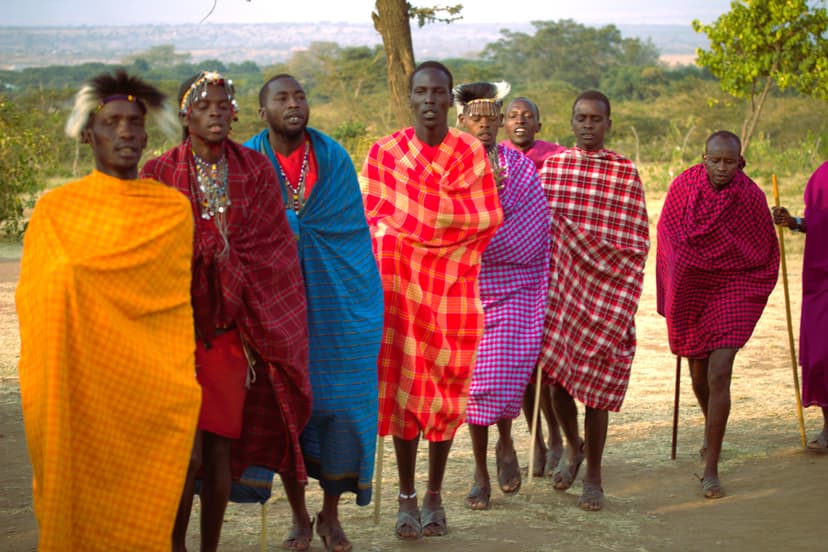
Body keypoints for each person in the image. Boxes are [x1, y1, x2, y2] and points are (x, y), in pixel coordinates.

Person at [16, 70, 201, 550]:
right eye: (112, 122)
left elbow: (173, 313)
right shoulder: (56, 210)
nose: (126, 132)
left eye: (135, 123)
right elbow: (37, 302)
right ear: (87, 133)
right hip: (75, 396)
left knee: (142, 518)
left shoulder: (171, 211)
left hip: (149, 398)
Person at [141, 71, 310, 551]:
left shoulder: (254, 169)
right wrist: (204, 255)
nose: (215, 112)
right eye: (204, 105)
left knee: (216, 449)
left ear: (234, 113)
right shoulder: (159, 173)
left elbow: (274, 251)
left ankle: (209, 547)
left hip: (232, 331)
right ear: (185, 114)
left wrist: (224, 263)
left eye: (222, 104)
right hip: (174, 331)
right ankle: (174, 544)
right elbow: (152, 253)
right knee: (182, 453)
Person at [359, 61, 503, 538]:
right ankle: (405, 495)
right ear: (410, 98)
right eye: (420, 91)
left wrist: (419, 231)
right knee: (405, 388)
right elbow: (375, 218)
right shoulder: (385, 153)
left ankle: (435, 493)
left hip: (453, 288)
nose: (428, 100)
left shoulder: (470, 154)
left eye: (437, 92)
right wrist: (419, 234)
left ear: (450, 101)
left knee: (445, 389)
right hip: (400, 289)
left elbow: (484, 216)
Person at [244, 74, 384, 552]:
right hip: (275, 309)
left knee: (340, 408)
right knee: (286, 409)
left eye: (300, 96)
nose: (293, 104)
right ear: (261, 112)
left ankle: (330, 514)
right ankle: (299, 516)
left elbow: (351, 234)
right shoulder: (247, 160)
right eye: (281, 98)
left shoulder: (334, 157)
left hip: (338, 305)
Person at [537, 90, 650, 511]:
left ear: (608, 124)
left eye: (596, 119)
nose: (588, 125)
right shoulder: (554, 167)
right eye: (581, 118)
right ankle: (571, 445)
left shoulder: (624, 172)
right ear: (570, 123)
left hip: (607, 297)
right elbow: (539, 227)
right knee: (557, 383)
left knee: (598, 392)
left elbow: (636, 240)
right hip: (563, 295)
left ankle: (595, 476)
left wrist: (605, 275)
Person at [657, 130, 779, 499]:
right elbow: (668, 237)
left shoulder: (751, 196)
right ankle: (713, 429)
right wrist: (681, 277)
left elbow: (763, 252)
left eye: (730, 161)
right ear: (703, 158)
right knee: (699, 373)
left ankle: (711, 466)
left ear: (740, 161)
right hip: (692, 288)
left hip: (736, 285)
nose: (723, 168)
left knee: (720, 370)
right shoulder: (683, 186)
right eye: (716, 160)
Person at [454, 81, 551, 510]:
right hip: (466, 288)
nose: (486, 126)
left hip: (515, 286)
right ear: (462, 122)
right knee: (475, 386)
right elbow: (445, 224)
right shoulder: (450, 167)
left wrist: (492, 240)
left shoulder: (520, 166)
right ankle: (479, 469)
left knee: (504, 376)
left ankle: (506, 441)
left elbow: (533, 230)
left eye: (493, 119)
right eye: (478, 119)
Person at [501, 95, 567, 477]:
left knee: (551, 364)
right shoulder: (494, 158)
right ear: (504, 124)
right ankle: (536, 440)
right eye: (513, 116)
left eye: (528, 116)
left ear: (539, 126)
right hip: (514, 273)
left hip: (556, 265)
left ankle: (558, 437)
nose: (520, 121)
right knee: (522, 366)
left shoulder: (557, 158)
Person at [772, 163, 828, 451]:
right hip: (821, 279)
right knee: (821, 354)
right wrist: (793, 221)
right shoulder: (820, 177)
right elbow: (816, 223)